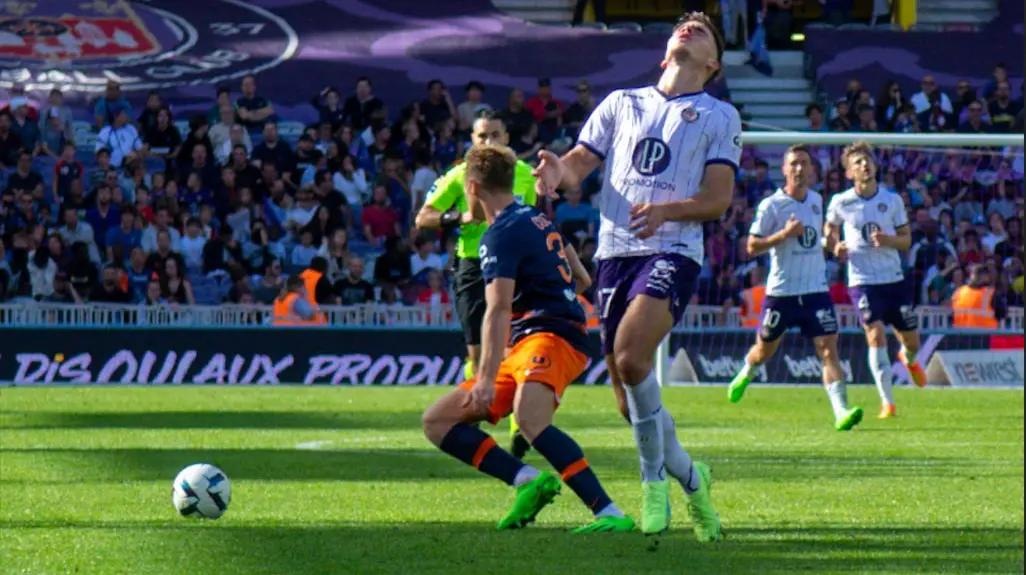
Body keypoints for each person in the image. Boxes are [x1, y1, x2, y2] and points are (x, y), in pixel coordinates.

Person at [531, 12, 735, 539]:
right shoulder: (621, 102)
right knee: (627, 397)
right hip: (613, 254)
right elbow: (578, 163)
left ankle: (652, 485)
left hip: (672, 251)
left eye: (703, 29)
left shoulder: (718, 115)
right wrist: (558, 172)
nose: (689, 28)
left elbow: (718, 199)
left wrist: (668, 212)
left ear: (712, 62)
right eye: (682, 26)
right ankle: (693, 478)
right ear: (667, 49)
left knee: (629, 356)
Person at [421, 145, 633, 534]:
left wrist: (485, 380)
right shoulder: (536, 217)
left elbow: (497, 309)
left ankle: (610, 513)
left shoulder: (497, 234)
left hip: (550, 335)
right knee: (438, 420)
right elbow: (582, 278)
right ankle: (528, 481)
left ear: (472, 187)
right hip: (531, 338)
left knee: (530, 419)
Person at [415, 109, 539, 455]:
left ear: (507, 138)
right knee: (477, 351)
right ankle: (477, 407)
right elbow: (422, 217)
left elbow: (530, 219)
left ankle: (517, 423)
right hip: (472, 265)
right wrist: (460, 216)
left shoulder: (525, 175)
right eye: (482, 136)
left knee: (514, 345)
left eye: (495, 135)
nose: (488, 142)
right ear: (471, 140)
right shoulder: (458, 176)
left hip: (513, 264)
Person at [727, 145, 864, 430]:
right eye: (794, 164)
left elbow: (816, 239)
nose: (799, 169)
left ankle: (841, 411)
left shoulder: (816, 200)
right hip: (782, 293)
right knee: (764, 351)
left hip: (815, 291)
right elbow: (751, 246)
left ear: (813, 170)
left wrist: (832, 246)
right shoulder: (772, 206)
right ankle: (747, 371)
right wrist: (784, 234)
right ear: (785, 170)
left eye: (804, 163)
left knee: (828, 349)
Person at [824, 142, 928, 420]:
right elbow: (829, 232)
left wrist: (888, 240)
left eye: (866, 160)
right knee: (875, 334)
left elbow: (906, 241)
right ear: (849, 173)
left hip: (893, 279)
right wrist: (835, 247)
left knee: (912, 340)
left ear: (875, 165)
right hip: (862, 281)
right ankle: (888, 402)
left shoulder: (892, 200)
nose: (863, 165)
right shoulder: (840, 202)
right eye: (857, 163)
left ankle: (909, 358)